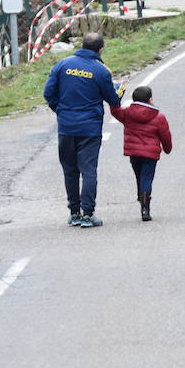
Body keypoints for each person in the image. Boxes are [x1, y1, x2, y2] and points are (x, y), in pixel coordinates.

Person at [44, 31, 122, 228]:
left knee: (70, 171)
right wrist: (119, 91)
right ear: (100, 49)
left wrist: (61, 111)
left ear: (82, 45)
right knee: (88, 171)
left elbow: (48, 93)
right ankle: (88, 214)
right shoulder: (101, 71)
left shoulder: (62, 65)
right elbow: (112, 101)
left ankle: (74, 212)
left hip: (66, 127)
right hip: (89, 128)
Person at [109, 85, 173, 222]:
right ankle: (145, 207)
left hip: (133, 153)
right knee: (147, 178)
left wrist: (118, 96)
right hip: (150, 154)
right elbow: (165, 136)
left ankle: (141, 196)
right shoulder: (158, 117)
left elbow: (114, 110)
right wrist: (167, 149)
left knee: (139, 176)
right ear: (150, 100)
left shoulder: (127, 113)